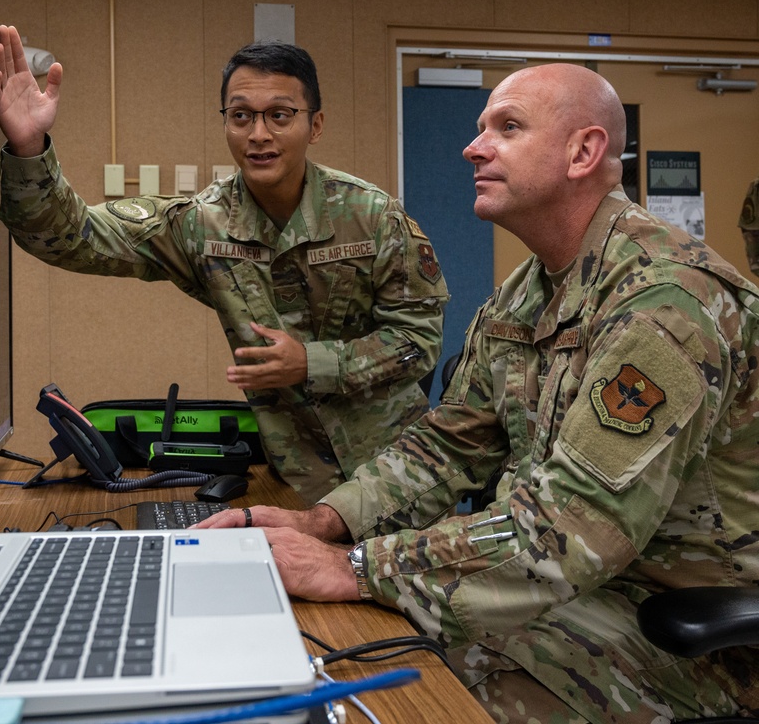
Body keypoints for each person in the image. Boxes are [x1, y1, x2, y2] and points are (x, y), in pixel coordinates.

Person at [197, 63, 759, 721]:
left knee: (404, 675)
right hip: (578, 590)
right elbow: (445, 448)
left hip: (690, 642)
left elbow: (568, 532)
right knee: (349, 644)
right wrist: (324, 521)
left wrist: (351, 566)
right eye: (480, 127)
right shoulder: (524, 295)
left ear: (585, 152)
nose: (473, 146)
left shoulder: (669, 302)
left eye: (508, 127)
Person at [0, 25, 449, 503]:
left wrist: (310, 363)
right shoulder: (203, 224)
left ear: (315, 125)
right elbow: (72, 238)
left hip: (399, 473)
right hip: (299, 481)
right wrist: (29, 148)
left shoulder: (371, 217)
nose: (259, 134)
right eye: (241, 116)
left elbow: (419, 341)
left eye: (280, 115)